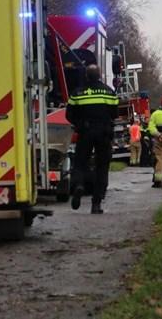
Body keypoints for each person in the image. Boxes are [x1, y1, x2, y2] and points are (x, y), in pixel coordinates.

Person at [65, 64, 119, 214]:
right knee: (102, 167)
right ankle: (96, 203)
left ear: (86, 76)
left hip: (85, 132)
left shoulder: (77, 93)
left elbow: (69, 115)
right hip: (103, 133)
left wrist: (80, 124)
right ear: (100, 75)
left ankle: (79, 186)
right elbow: (115, 113)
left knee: (80, 162)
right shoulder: (109, 92)